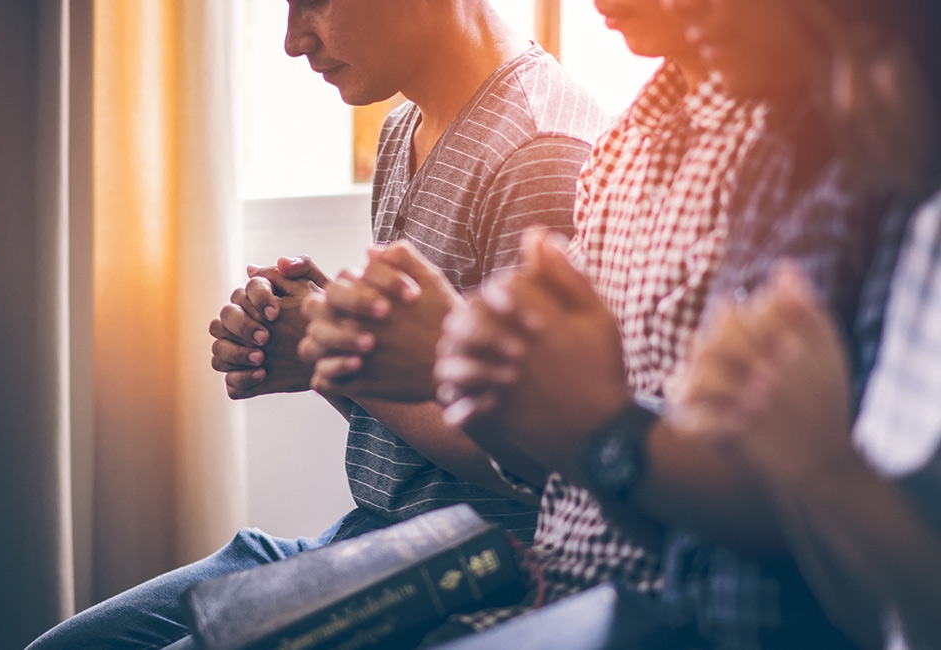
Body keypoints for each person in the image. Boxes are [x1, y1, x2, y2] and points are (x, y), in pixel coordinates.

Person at [26, 1, 606, 649]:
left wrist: (348, 363)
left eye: (316, 2)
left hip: (479, 571)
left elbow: (543, 475)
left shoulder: (541, 153)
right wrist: (320, 354)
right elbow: (418, 429)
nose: (293, 40)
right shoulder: (402, 129)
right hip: (369, 538)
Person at [432, 0, 933, 646]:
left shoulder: (879, 178)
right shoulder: (756, 157)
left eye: (870, 51)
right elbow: (679, 521)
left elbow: (813, 540)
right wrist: (578, 418)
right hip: (661, 608)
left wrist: (597, 424)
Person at [299, 0, 792, 641]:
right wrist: (372, 361)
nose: (292, 42)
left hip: (534, 576)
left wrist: (435, 362)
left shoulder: (549, 144)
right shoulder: (627, 146)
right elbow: (563, 461)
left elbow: (590, 464)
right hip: (519, 570)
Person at [671, 0, 941, 644]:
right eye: (828, 57)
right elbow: (878, 616)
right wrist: (795, 458)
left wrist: (825, 468)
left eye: (875, 51)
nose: (845, 100)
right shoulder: (923, 226)